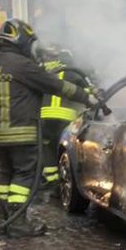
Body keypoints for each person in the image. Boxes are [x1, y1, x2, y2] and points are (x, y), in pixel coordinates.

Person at [0, 19, 96, 238]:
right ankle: (17, 223)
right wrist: (87, 97)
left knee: (5, 175)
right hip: (21, 131)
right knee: (24, 176)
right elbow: (56, 85)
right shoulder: (23, 66)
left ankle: (3, 219)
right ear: (22, 41)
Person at [39, 46, 92, 188]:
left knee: (47, 147)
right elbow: (87, 94)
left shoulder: (46, 71)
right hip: (65, 118)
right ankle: (64, 178)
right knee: (63, 147)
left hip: (44, 118)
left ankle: (51, 179)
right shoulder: (74, 74)